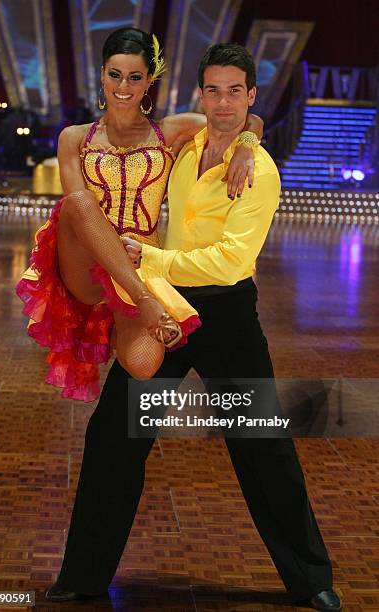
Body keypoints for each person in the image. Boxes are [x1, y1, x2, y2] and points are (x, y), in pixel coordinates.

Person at [45, 42, 342, 612]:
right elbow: (234, 124)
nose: (224, 101)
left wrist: (250, 145)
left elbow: (231, 261)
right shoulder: (186, 146)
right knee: (114, 435)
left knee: (263, 444)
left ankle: (311, 580)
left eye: (237, 90)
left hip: (225, 314)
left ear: (250, 95)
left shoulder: (259, 173)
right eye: (214, 89)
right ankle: (82, 577)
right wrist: (246, 133)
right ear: (200, 94)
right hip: (165, 308)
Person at [16, 28, 263, 402]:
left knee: (145, 365)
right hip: (85, 262)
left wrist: (247, 145)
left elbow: (238, 118)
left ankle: (118, 322)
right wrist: (144, 297)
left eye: (135, 77)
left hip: (139, 260)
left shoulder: (171, 131)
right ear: (102, 75)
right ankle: (144, 302)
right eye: (115, 75)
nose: (123, 86)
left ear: (149, 81)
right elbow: (76, 209)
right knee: (78, 204)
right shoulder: (74, 138)